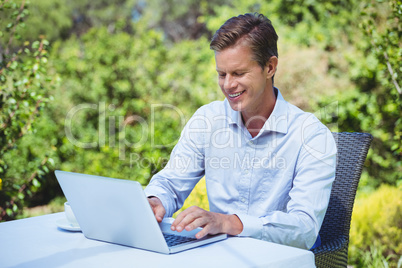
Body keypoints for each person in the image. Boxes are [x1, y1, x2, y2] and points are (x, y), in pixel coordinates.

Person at [144, 12, 337, 250]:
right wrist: (155, 201)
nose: (228, 85)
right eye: (221, 74)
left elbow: (303, 229)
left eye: (238, 73)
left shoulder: (311, 135)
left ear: (270, 67)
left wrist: (229, 223)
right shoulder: (207, 120)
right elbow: (171, 182)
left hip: (281, 258)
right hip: (220, 254)